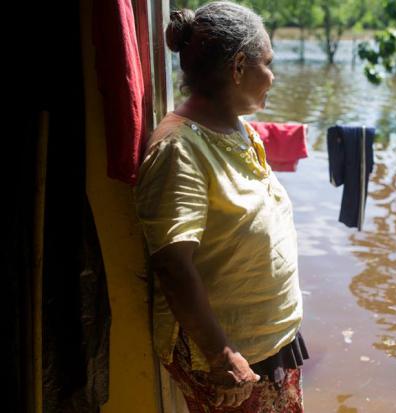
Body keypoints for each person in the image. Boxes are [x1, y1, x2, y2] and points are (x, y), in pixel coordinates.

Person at [133, 2, 308, 412]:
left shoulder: (239, 129)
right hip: (232, 356)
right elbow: (174, 265)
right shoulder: (179, 150)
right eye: (267, 63)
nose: (273, 76)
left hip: (268, 337)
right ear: (239, 66)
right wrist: (221, 354)